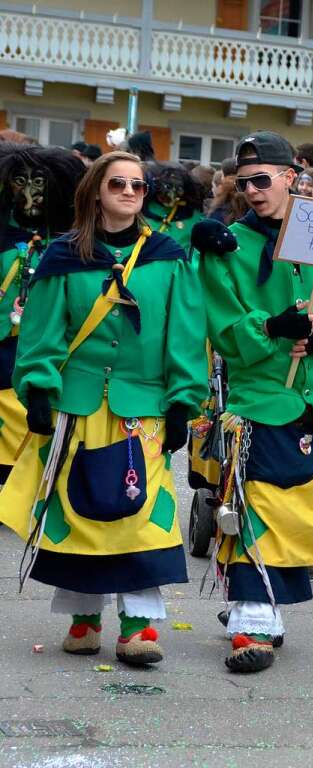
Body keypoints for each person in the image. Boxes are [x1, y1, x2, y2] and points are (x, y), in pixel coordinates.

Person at [0, 150, 206, 666]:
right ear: (96, 191)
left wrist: (184, 401)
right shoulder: (62, 256)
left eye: (139, 186)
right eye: (119, 185)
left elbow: (184, 334)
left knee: (140, 515)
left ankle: (138, 628)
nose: (131, 194)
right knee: (81, 507)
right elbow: (42, 335)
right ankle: (84, 620)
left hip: (145, 406)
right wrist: (39, 392)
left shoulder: (168, 257)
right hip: (79, 403)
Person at [194, 130, 313, 673]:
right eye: (241, 181)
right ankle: (252, 615)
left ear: (290, 178)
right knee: (258, 504)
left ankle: (265, 608)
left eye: (261, 179)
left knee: (306, 512)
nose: (251, 190)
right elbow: (223, 328)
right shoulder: (227, 246)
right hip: (261, 397)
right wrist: (272, 326)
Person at [0, 146, 85, 483]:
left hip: (52, 347)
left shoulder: (71, 243)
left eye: (39, 183)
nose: (30, 193)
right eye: (20, 181)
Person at [141, 162, 206, 253]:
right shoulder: (141, 210)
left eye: (178, 191)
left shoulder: (194, 216)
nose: (170, 198)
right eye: (165, 194)